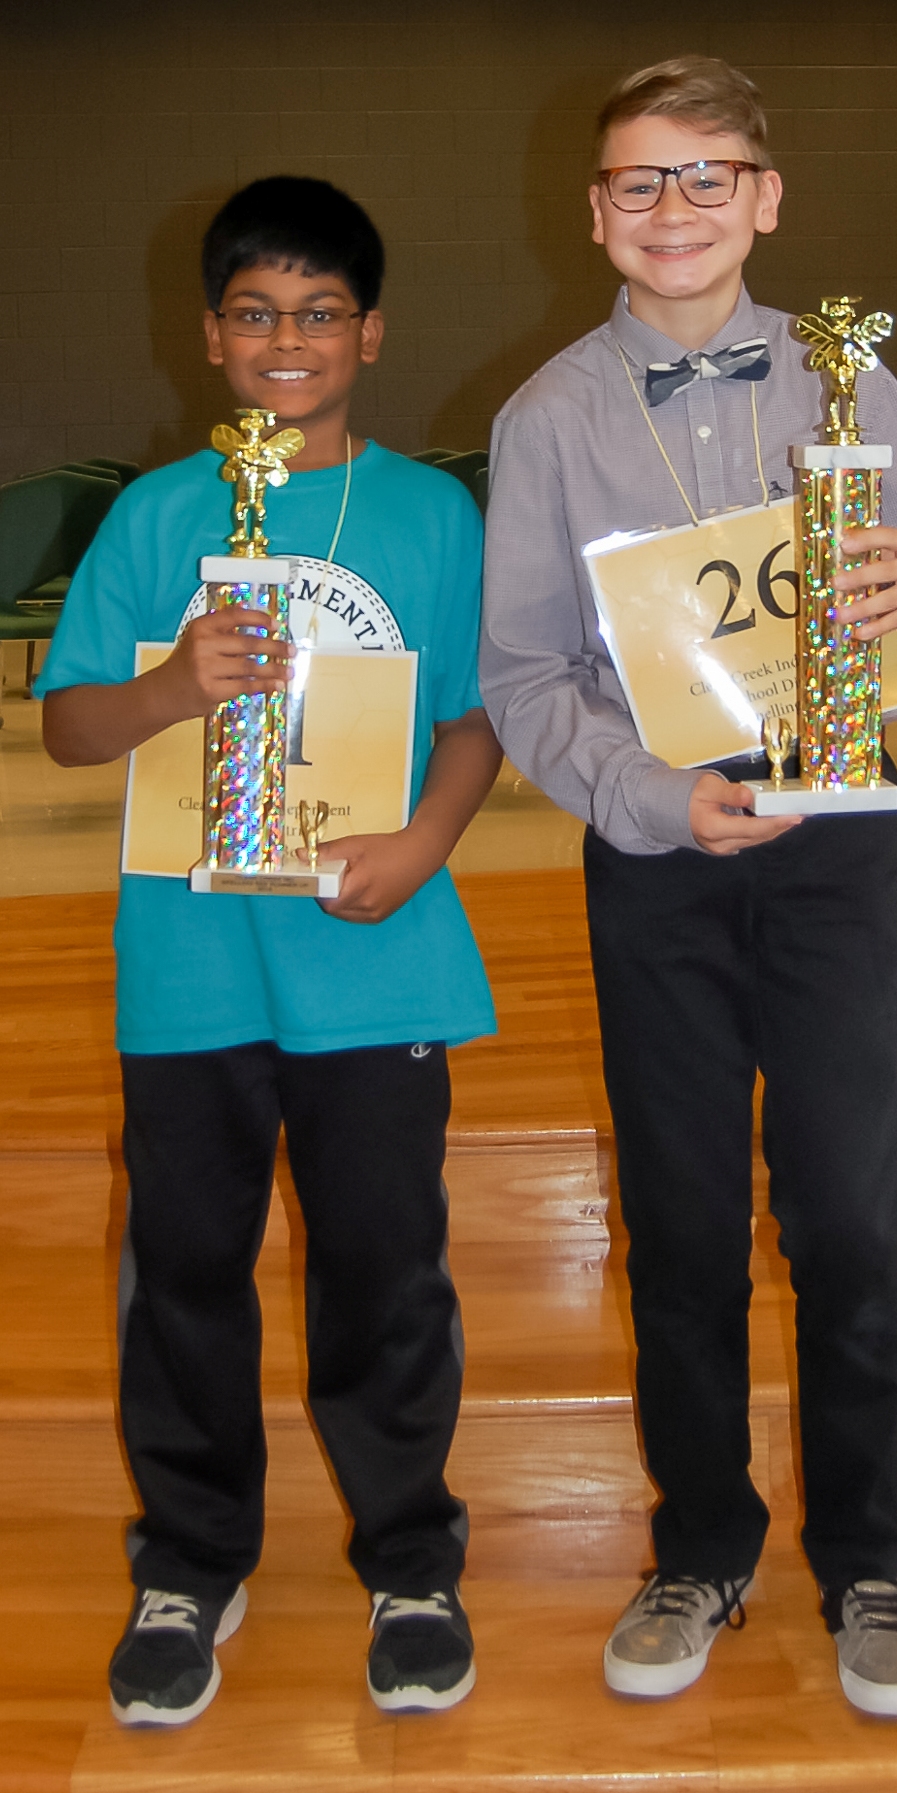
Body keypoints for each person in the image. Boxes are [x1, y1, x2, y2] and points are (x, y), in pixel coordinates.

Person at [480, 56, 897, 1717]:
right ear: (596, 214)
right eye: (639, 181)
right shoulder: (548, 415)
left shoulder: (850, 376)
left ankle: (867, 1559)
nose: (672, 208)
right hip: (660, 860)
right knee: (683, 1226)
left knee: (847, 1214)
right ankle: (697, 1543)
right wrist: (641, 794)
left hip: (840, 846)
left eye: (707, 176)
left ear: (764, 197)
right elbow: (524, 674)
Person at [38, 176, 500, 1725]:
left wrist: (427, 842)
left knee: (384, 1270)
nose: (285, 338)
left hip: (377, 957)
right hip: (188, 970)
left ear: (366, 334)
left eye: (317, 313)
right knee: (184, 1273)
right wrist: (173, 686)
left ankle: (409, 1554)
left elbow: (471, 718)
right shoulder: (157, 512)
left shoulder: (432, 514)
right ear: (212, 335)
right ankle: (190, 1556)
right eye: (255, 312)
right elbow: (65, 725)